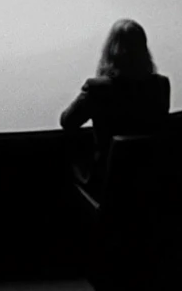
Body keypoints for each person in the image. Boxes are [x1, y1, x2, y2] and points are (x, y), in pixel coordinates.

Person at [60, 19, 170, 191]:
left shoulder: (97, 88)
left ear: (111, 50)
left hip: (104, 182)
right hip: (149, 179)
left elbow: (67, 121)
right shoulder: (162, 84)